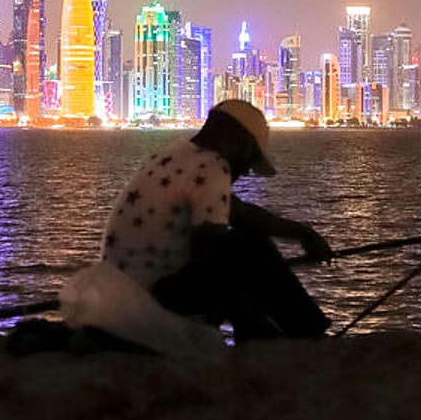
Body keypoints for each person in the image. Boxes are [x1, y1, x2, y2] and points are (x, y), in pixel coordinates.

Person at [100, 99, 334, 341]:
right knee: (247, 246)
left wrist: (302, 233)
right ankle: (308, 334)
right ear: (240, 142)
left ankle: (294, 333)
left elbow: (240, 212)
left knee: (244, 244)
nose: (245, 170)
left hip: (125, 299)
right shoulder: (212, 167)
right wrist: (256, 323)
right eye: (251, 158)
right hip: (152, 302)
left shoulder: (173, 156)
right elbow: (214, 256)